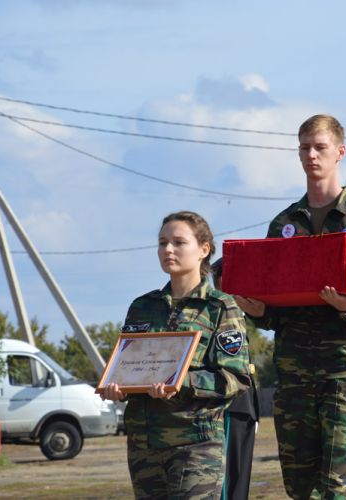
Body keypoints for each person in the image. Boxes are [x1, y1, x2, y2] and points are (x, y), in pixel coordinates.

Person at [234, 114, 346, 499]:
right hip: (294, 373)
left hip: (345, 371)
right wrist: (260, 313)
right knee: (299, 488)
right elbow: (278, 304)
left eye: (320, 147)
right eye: (304, 147)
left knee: (337, 489)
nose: (311, 155)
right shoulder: (284, 224)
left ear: (340, 153)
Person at [102, 211, 252, 499]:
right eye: (162, 243)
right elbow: (130, 367)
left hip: (195, 444)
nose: (168, 250)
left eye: (178, 242)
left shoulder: (220, 307)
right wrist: (118, 387)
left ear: (204, 250)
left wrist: (179, 381)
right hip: (145, 444)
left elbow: (235, 378)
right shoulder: (142, 306)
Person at [212, 259, 261, 500]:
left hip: (244, 408)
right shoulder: (218, 315)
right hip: (230, 408)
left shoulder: (238, 315)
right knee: (227, 485)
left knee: (240, 482)